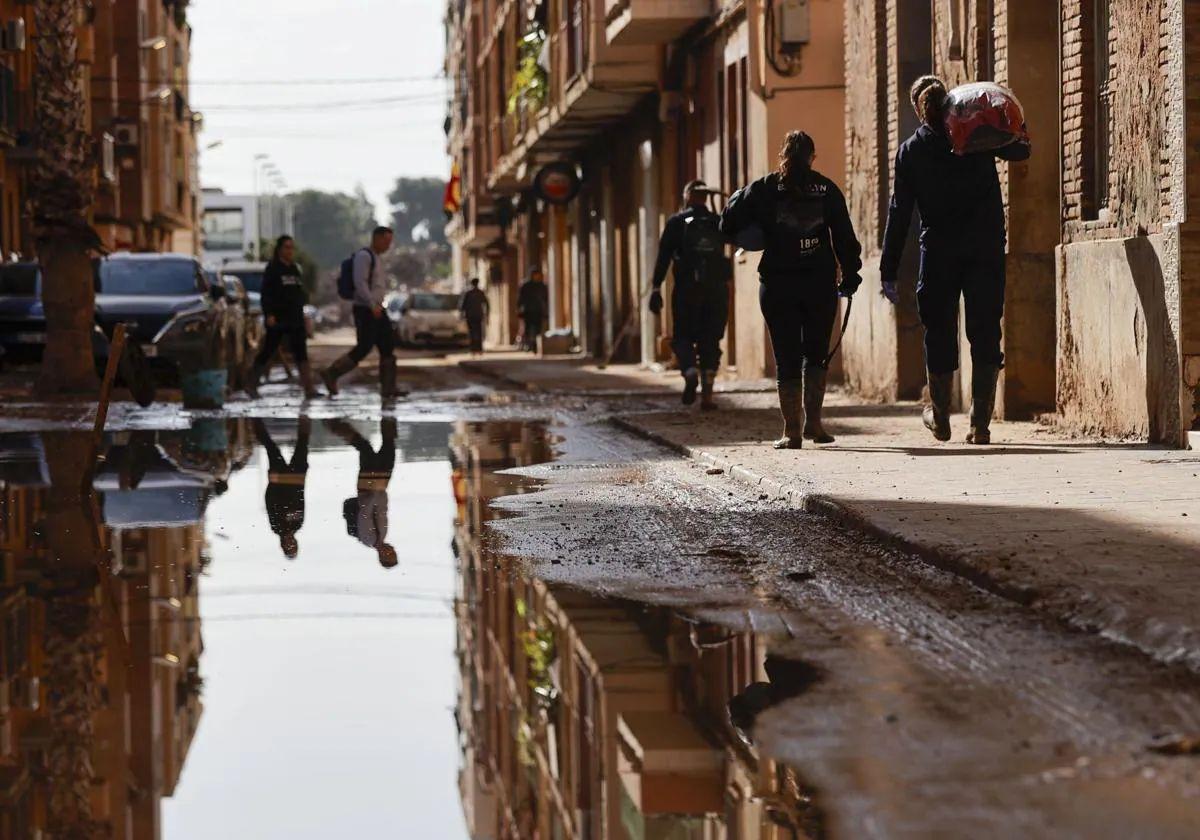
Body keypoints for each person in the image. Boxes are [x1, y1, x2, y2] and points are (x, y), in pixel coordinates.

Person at [880, 75, 1031, 445]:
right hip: (985, 248)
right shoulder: (974, 134)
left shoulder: (911, 151)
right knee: (984, 329)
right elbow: (1020, 151)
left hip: (940, 253)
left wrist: (888, 268)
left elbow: (900, 212)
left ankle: (941, 415)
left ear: (918, 110)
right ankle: (980, 424)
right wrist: (1016, 129)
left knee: (939, 332)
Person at [723, 131, 863, 449]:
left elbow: (728, 223)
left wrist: (744, 217)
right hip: (818, 284)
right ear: (812, 157)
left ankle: (792, 432)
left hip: (777, 285)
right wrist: (851, 274)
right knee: (816, 354)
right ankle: (814, 424)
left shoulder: (764, 187)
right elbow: (844, 234)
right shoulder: (826, 189)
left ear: (783, 155)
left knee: (786, 356)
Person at [650, 179, 732, 409]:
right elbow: (738, 238)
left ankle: (688, 370)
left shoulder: (677, 222)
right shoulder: (717, 221)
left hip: (687, 291)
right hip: (716, 291)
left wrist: (656, 288)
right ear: (705, 198)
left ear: (687, 196)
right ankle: (707, 397)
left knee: (683, 337)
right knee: (710, 340)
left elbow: (663, 257)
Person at [321, 226, 398, 399]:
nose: (388, 245)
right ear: (377, 239)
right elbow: (360, 283)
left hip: (378, 308)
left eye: (390, 242)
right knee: (364, 346)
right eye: (386, 241)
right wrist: (372, 305)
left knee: (387, 346)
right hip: (366, 309)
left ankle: (389, 388)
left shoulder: (377, 258)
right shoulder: (364, 256)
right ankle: (332, 373)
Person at [248, 236, 318, 399]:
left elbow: (300, 293)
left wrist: (304, 313)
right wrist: (269, 314)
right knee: (268, 350)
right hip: (279, 318)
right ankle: (251, 384)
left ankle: (309, 389)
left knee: (301, 352)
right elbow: (266, 294)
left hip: (296, 317)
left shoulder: (294, 269)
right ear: (279, 249)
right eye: (286, 247)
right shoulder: (273, 269)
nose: (290, 251)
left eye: (292, 248)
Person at [328, 418, 398, 569]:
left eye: (391, 554)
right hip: (379, 487)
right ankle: (388, 413)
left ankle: (337, 427)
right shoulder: (382, 536)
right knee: (388, 448)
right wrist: (382, 495)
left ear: (382, 556)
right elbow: (382, 511)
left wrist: (376, 494)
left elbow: (365, 512)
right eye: (394, 553)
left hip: (368, 488)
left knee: (366, 449)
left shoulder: (368, 539)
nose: (393, 550)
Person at [253, 417, 310, 559]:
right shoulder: (298, 524)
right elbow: (301, 498)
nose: (291, 542)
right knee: (303, 443)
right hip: (297, 477)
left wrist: (272, 483)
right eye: (294, 545)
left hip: (279, 478)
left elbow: (269, 501)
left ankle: (253, 418)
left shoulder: (276, 526)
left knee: (270, 446)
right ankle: (305, 414)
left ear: (282, 545)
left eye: (288, 546)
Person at [517, 268, 548, 352]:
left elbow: (546, 299)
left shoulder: (542, 286)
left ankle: (535, 346)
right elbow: (521, 298)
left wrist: (545, 310)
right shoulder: (526, 286)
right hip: (528, 311)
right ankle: (528, 345)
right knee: (528, 329)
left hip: (538, 311)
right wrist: (519, 309)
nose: (536, 276)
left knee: (537, 329)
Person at [460, 277, 489, 356]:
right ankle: (479, 349)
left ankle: (473, 350)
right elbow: (486, 304)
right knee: (479, 333)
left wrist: (462, 315)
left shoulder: (468, 293)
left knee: (472, 333)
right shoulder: (480, 293)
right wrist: (487, 315)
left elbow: (462, 306)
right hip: (478, 315)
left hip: (470, 316)